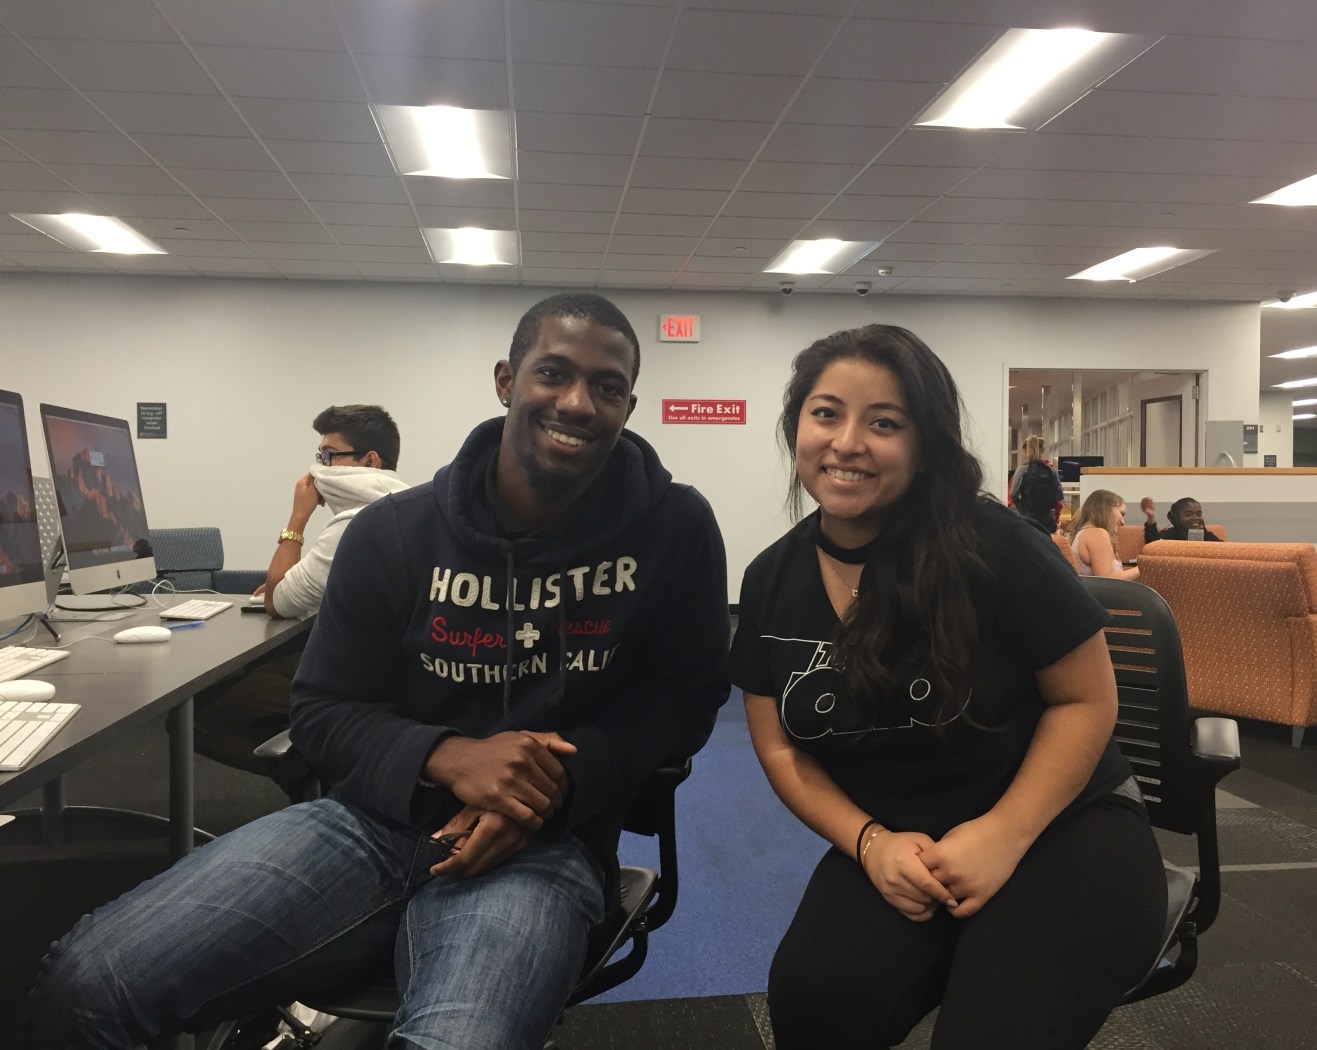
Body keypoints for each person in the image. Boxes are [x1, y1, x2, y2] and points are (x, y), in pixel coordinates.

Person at [27, 293, 732, 1050]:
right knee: (88, 982)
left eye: (607, 386)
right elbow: (323, 709)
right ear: (506, 380)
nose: (578, 403)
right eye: (553, 373)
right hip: (370, 824)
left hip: (542, 846)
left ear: (628, 407)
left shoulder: (676, 528)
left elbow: (685, 697)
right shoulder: (394, 533)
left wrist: (549, 785)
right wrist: (450, 756)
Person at [727, 325, 1166, 1049]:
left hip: (1059, 825)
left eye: (884, 423)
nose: (846, 443)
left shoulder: (997, 546)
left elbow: (1086, 700)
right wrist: (869, 843)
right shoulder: (772, 578)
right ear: (796, 426)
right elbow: (781, 749)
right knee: (812, 1000)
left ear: (925, 443)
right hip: (899, 841)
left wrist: (1003, 833)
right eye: (826, 413)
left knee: (989, 1033)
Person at [192, 405, 408, 788]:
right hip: (386, 672)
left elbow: (278, 602)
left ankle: (309, 773)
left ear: (370, 461)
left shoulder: (356, 522)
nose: (316, 470)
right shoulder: (402, 507)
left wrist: (298, 517)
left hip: (351, 678)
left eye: (329, 456)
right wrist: (288, 583)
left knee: (196, 716)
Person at [1066, 488, 1141, 581]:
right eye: (1122, 513)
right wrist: (1142, 568)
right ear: (1106, 509)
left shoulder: (1073, 533)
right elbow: (1106, 580)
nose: (1123, 522)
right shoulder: (1098, 534)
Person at [1008, 434, 1063, 534]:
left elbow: (1013, 494)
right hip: (1048, 521)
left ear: (1026, 451)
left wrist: (1022, 510)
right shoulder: (1050, 470)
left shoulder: (1022, 470)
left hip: (1028, 519)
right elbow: (1059, 497)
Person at [1141, 495, 1223, 543]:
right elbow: (1152, 544)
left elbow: (1224, 551)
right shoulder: (1169, 535)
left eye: (1199, 514)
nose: (1195, 518)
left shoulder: (1207, 536)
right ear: (1176, 517)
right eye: (1188, 514)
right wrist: (1150, 516)